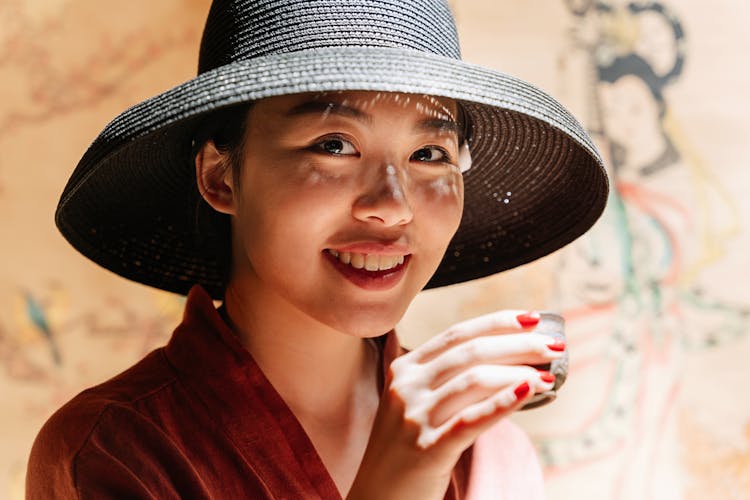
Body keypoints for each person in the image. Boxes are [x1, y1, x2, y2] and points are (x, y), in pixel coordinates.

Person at [26, 0, 609, 498]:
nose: (393, 204)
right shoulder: (118, 450)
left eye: (430, 155)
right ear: (220, 178)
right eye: (334, 144)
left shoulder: (490, 456)